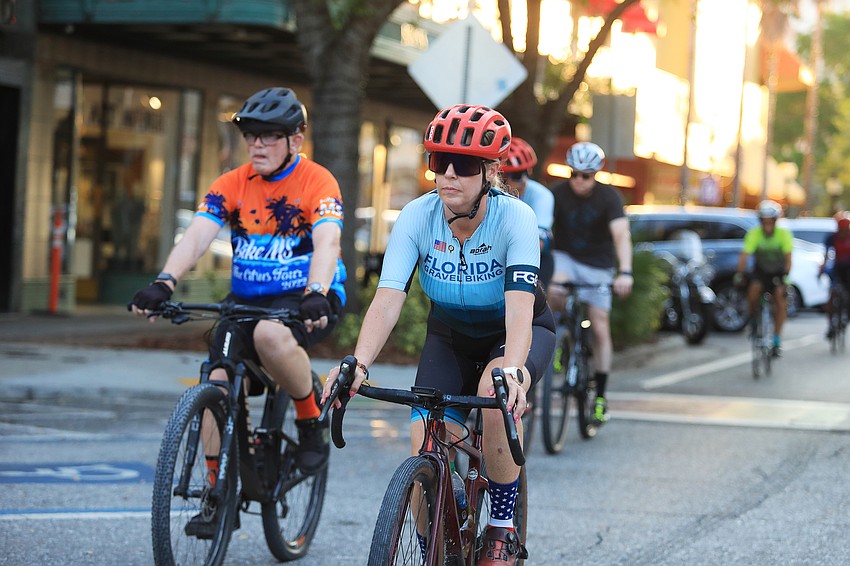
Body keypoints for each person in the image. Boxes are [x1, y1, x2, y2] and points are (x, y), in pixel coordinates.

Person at [321, 104, 555, 565]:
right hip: (448, 334)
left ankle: (502, 528)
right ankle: (441, 544)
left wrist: (514, 373)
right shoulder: (416, 216)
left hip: (510, 333)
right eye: (437, 162)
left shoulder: (516, 218)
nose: (448, 174)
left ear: (490, 171)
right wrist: (360, 362)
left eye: (464, 165)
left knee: (494, 391)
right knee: (423, 444)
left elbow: (520, 310)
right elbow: (389, 298)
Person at [130, 87, 346, 533]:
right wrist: (164, 281)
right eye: (251, 135)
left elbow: (328, 240)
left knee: (269, 335)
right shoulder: (231, 183)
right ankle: (216, 496)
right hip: (246, 300)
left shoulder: (317, 181)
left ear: (297, 139)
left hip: (306, 298)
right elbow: (197, 236)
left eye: (270, 136)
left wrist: (317, 290)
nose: (258, 145)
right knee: (216, 379)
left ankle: (310, 425)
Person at [549, 141, 633, 426]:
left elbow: (621, 236)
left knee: (599, 326)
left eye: (585, 176)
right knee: (555, 289)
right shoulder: (557, 193)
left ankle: (600, 396)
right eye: (573, 174)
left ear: (595, 174)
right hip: (566, 258)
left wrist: (626, 273)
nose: (578, 181)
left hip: (599, 265)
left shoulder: (609, 198)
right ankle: (561, 337)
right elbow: (541, 229)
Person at [733, 199, 792, 356]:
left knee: (780, 299)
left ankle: (777, 339)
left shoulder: (783, 234)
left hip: (779, 272)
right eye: (764, 221)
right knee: (753, 291)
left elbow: (788, 259)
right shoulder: (754, 234)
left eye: (770, 221)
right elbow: (744, 256)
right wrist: (739, 274)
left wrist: (785, 277)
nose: (767, 224)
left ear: (775, 220)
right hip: (761, 271)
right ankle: (753, 320)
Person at [501, 137, 555, 287]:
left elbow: (538, 244)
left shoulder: (541, 195)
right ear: (500, 178)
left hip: (535, 257)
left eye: (526, 172)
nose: (524, 180)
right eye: (518, 175)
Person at [820, 212, 850, 338]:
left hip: (848, 268)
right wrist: (822, 267)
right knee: (832, 293)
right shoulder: (832, 237)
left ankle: (846, 317)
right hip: (837, 267)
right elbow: (827, 254)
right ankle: (830, 324)